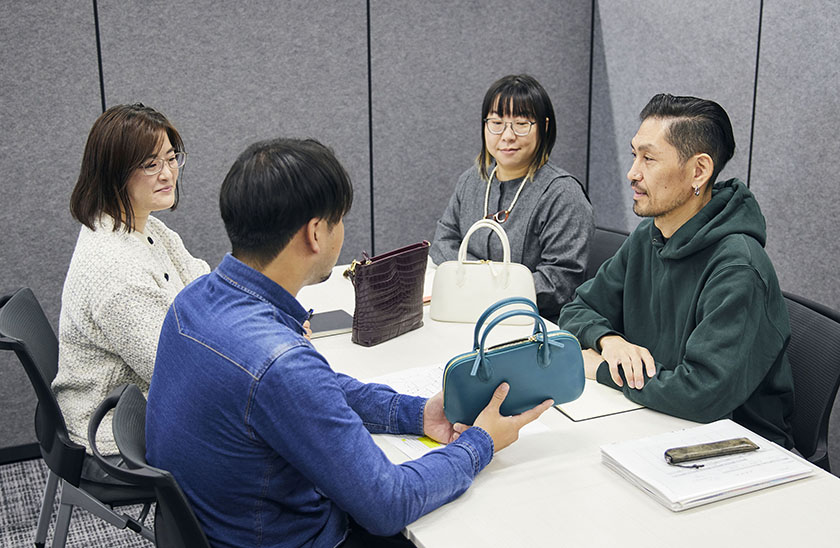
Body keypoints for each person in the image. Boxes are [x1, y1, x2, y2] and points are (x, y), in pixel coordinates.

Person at [146, 138, 553, 548]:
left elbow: (317, 390)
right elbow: (387, 503)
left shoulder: (193, 301)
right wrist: (480, 442)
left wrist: (415, 414)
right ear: (316, 233)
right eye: (339, 218)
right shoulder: (280, 364)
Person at [556, 94, 794, 448]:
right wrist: (610, 341)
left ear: (699, 170)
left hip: (735, 449)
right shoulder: (649, 235)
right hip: (653, 421)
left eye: (649, 159)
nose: (632, 172)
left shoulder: (737, 266)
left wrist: (601, 368)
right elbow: (578, 308)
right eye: (634, 154)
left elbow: (701, 394)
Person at [53, 103, 210, 458]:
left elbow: (202, 284)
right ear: (114, 174)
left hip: (149, 398)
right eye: (150, 165)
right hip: (115, 429)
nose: (168, 174)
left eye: (171, 158)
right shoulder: (115, 271)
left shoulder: (142, 223)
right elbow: (182, 374)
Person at [429, 74, 594, 320]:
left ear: (544, 127)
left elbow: (559, 281)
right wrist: (486, 285)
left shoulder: (563, 195)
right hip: (465, 315)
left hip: (531, 325)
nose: (507, 136)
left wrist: (480, 289)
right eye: (496, 123)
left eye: (521, 123)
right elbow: (443, 244)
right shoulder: (472, 181)